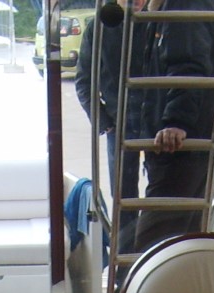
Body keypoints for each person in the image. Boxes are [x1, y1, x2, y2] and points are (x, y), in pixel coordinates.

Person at [130, 0, 214, 254]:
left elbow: (188, 66)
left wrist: (176, 122)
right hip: (193, 142)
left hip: (178, 147)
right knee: (182, 242)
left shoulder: (183, 6)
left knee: (150, 248)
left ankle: (139, 282)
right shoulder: (188, 6)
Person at [74, 5, 140, 256]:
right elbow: (84, 81)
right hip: (119, 121)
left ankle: (153, 256)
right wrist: (104, 121)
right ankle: (125, 260)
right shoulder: (100, 27)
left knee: (162, 193)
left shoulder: (160, 21)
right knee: (123, 196)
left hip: (158, 121)